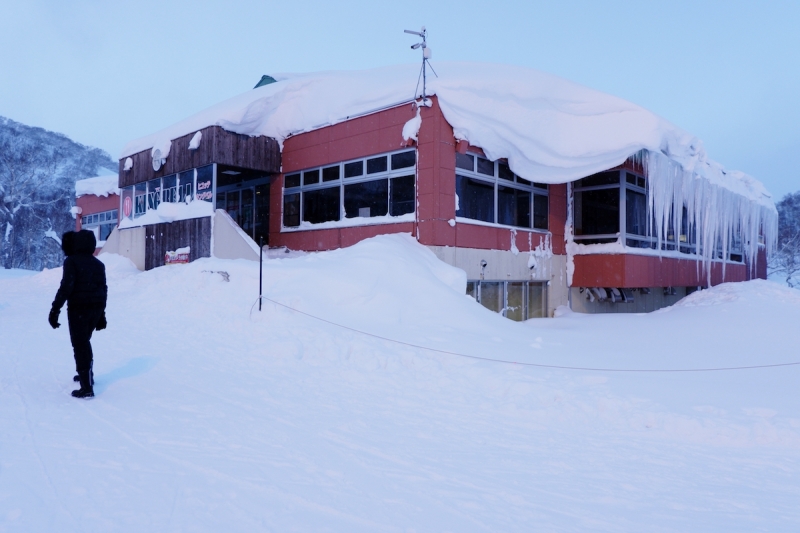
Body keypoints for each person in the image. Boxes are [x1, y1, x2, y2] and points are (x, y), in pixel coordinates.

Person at [48, 230, 108, 398]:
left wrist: (55, 310)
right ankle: (87, 375)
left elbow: (66, 287)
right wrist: (101, 315)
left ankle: (86, 387)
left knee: (80, 345)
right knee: (85, 342)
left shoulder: (71, 261)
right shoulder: (99, 264)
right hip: (95, 309)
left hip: (78, 309)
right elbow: (103, 290)